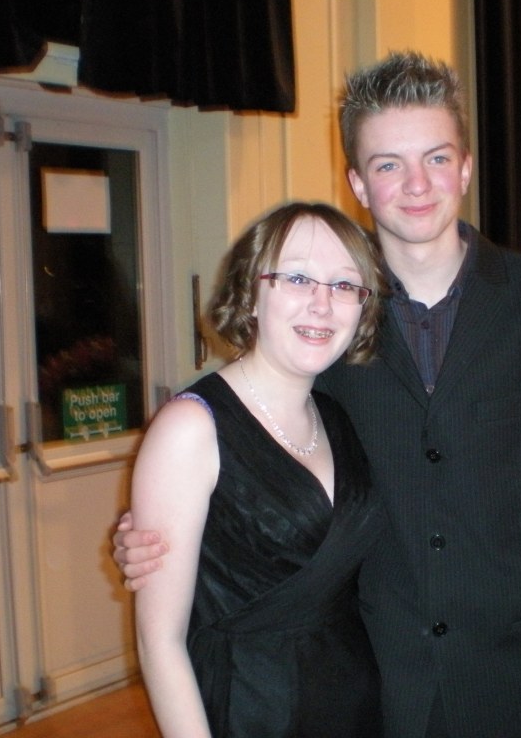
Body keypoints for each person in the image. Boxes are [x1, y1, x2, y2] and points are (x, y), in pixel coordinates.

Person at [117, 52, 521, 738]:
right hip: (374, 699)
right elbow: (250, 469)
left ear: (465, 166)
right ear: (358, 185)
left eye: (436, 157)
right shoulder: (327, 333)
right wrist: (151, 531)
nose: (417, 184)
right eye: (388, 164)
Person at [130, 201, 387, 737]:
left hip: (352, 704)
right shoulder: (189, 428)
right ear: (251, 292)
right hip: (250, 708)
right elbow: (159, 644)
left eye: (344, 286)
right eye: (296, 277)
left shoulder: (337, 415)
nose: (322, 304)